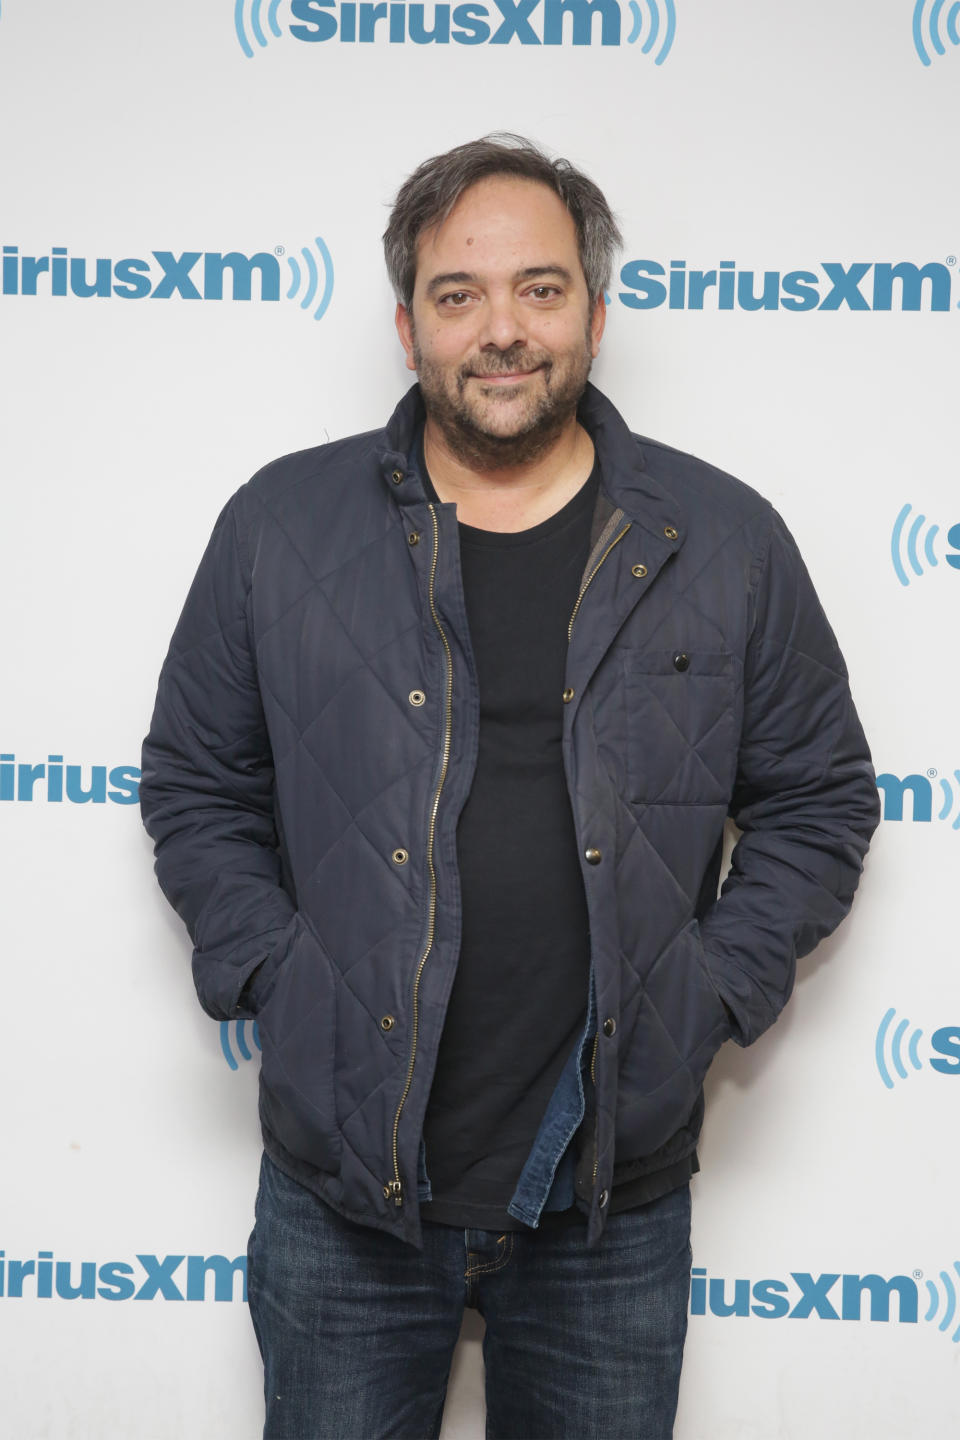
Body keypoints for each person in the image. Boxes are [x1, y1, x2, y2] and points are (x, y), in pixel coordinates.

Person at [140, 134, 879, 1439]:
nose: (502, 331)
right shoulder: (283, 527)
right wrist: (278, 973)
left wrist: (707, 993)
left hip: (610, 1199)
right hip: (344, 1200)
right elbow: (199, 780)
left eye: (540, 289)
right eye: (459, 294)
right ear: (406, 323)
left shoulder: (723, 540)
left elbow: (818, 802)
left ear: (596, 312)